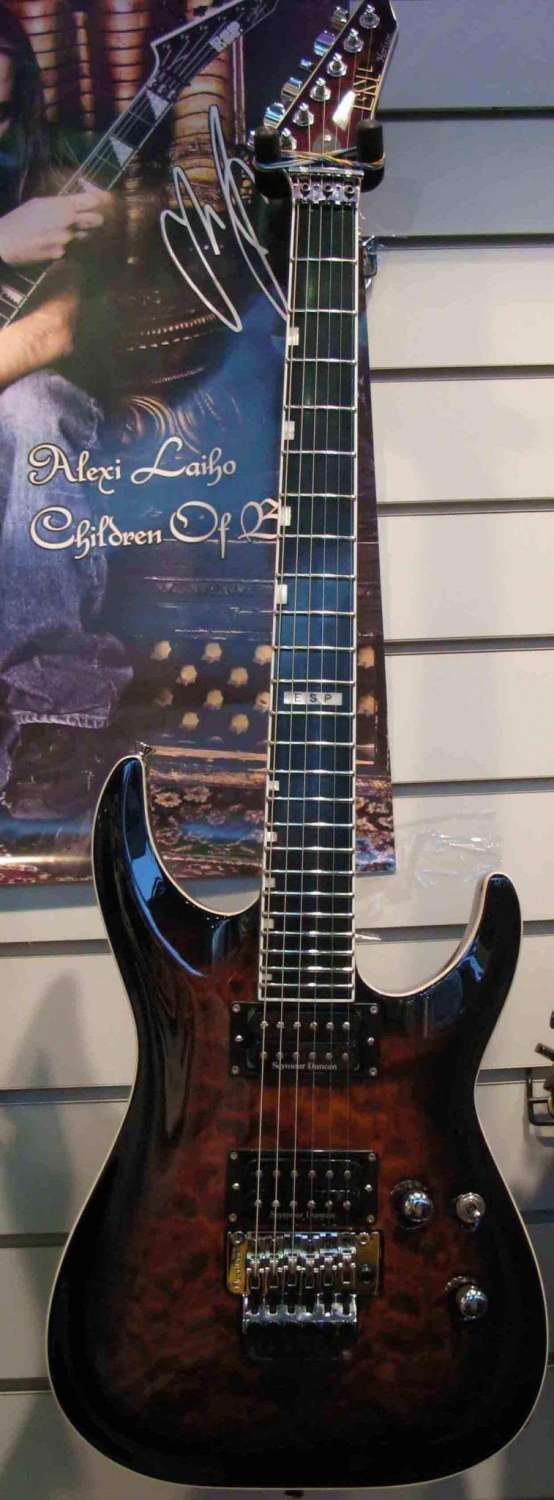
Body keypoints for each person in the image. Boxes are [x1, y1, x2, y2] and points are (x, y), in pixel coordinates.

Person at [0, 3, 131, 818]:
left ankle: (53, 715)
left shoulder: (45, 188)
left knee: (34, 409)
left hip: (19, 404)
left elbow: (51, 332)